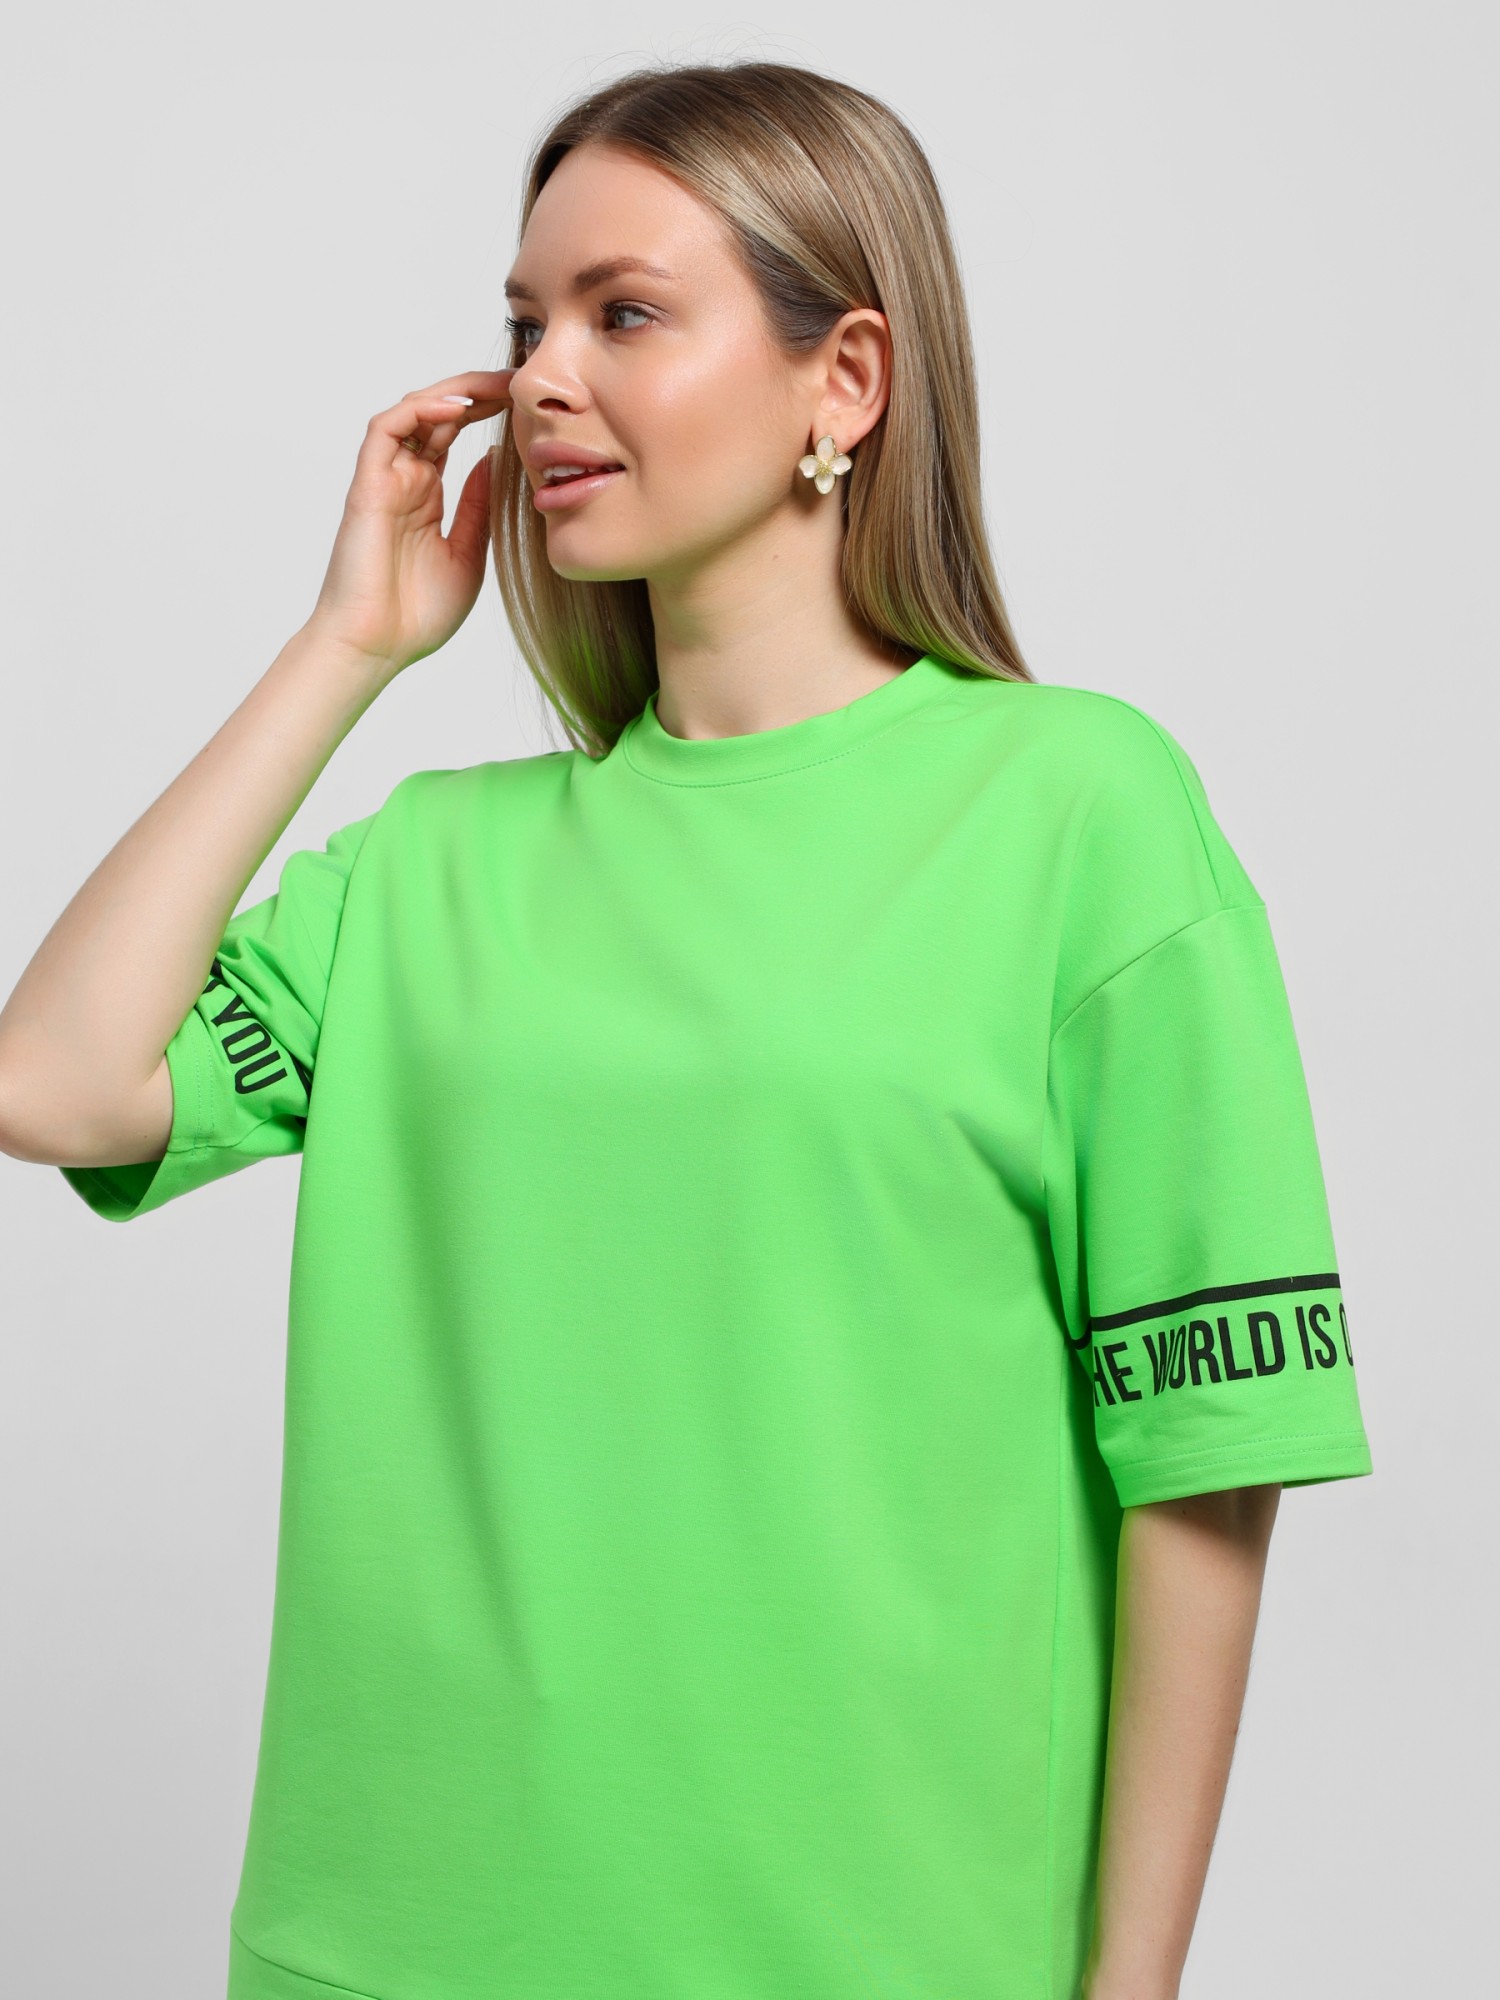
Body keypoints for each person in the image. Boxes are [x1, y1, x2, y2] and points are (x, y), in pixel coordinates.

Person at [0, 57, 1373, 2000]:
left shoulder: (1077, 812)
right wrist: (346, 647)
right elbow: (54, 1083)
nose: (543, 379)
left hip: (878, 1957)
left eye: (624, 313)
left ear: (846, 380)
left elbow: (1206, 1463)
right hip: (381, 1955)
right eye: (524, 326)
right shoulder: (433, 867)